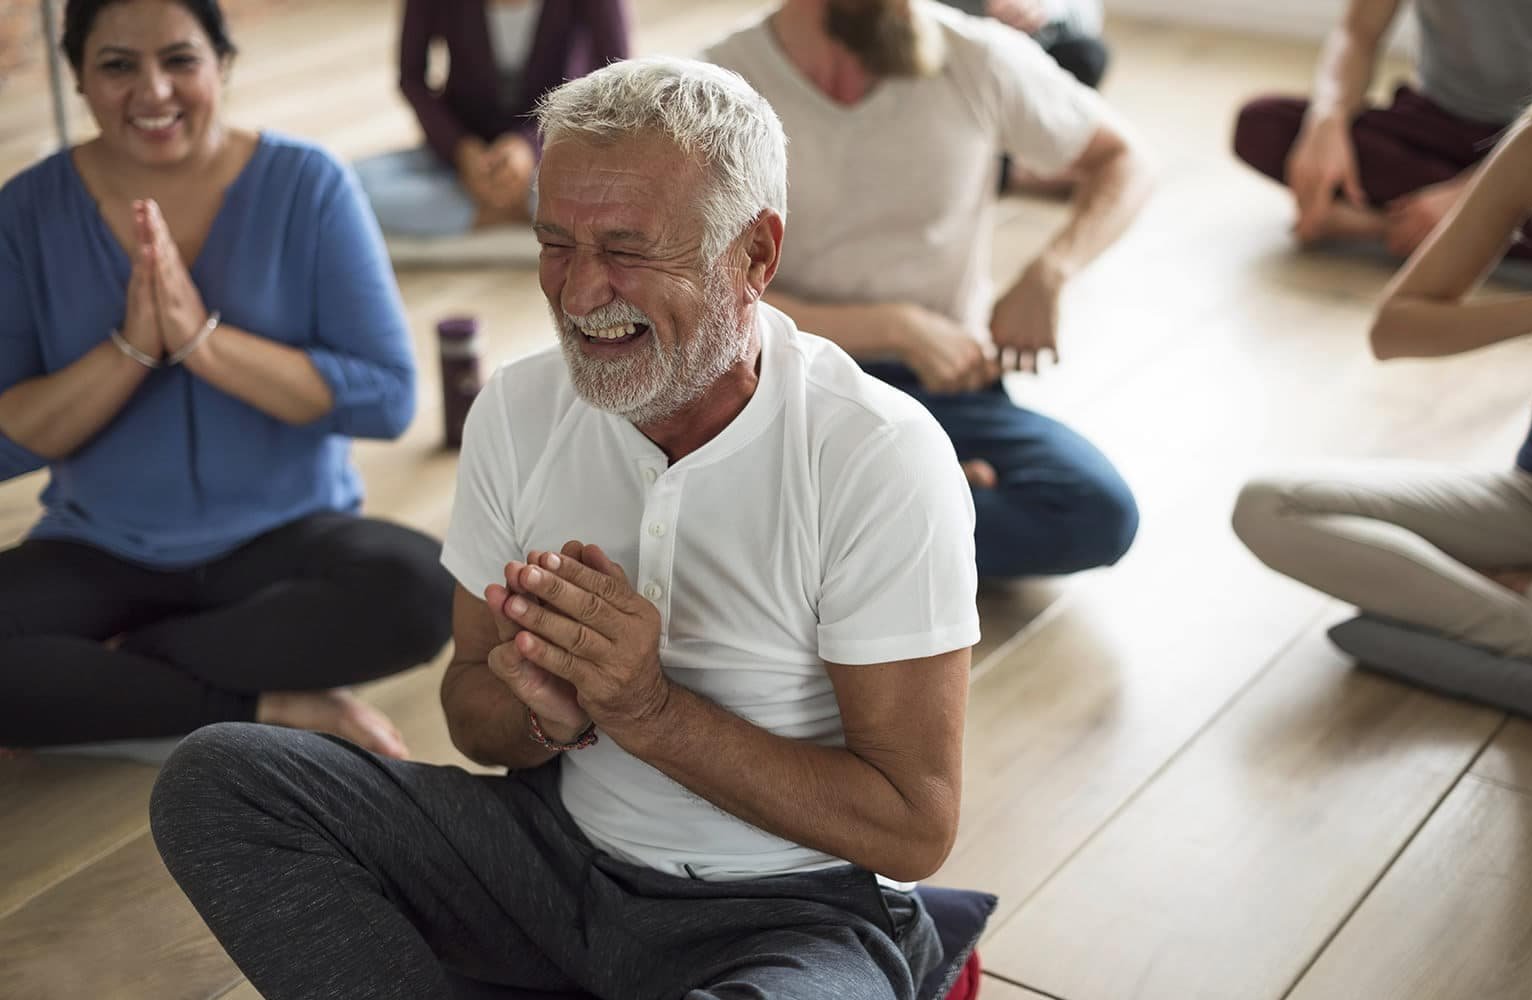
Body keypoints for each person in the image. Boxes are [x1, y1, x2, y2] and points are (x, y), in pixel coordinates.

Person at [150, 58, 980, 1000]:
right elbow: (471, 712)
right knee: (218, 780)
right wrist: (545, 708)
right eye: (555, 242)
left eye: (628, 250)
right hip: (550, 865)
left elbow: (914, 825)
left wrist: (650, 711)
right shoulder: (518, 408)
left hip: (791, 916)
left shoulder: (876, 452)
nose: (580, 295)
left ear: (755, 256)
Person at [0, 0, 454, 758]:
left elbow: (387, 398)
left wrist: (203, 342)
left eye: (180, 59)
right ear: (77, 77)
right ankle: (268, 700)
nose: (153, 92)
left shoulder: (309, 184)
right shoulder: (26, 211)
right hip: (101, 549)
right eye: (117, 65)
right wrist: (132, 349)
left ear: (222, 64)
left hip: (286, 541)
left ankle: (111, 675)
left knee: (423, 590)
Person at [705, 0, 1153, 578]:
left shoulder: (977, 57)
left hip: (945, 386)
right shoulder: (717, 87)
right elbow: (702, 294)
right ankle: (907, 507)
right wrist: (894, 328)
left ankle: (846, 520)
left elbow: (1126, 158)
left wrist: (1053, 270)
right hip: (773, 387)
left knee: (1097, 513)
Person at [1233, 106, 1532, 657]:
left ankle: (1499, 612)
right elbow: (1396, 330)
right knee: (1268, 507)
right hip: (1529, 501)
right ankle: (1521, 632)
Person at [1231, 0, 1532, 260]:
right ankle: (1461, 231)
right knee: (1262, 124)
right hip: (1436, 123)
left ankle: (1383, 226)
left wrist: (1473, 195)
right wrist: (1327, 119)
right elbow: (1356, 34)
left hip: (1529, 146)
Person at [354, 0, 631, 263]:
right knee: (350, 184)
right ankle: (523, 211)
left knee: (622, 192)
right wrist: (460, 149)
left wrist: (531, 147)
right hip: (464, 147)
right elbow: (412, 78)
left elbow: (615, 82)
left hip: (558, 148)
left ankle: (491, 210)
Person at [940, 0, 1108, 89]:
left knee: (1089, 55)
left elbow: (1090, 16)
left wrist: (1045, 6)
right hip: (954, 49)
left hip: (1036, 51)